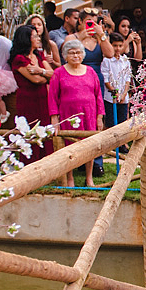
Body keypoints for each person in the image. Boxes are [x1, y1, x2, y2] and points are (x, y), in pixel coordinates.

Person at [48, 39, 104, 187]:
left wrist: (100, 116)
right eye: (71, 53)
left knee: (90, 145)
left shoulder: (90, 71)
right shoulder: (58, 73)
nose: (75, 56)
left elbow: (98, 95)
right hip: (68, 115)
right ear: (65, 56)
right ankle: (70, 177)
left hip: (89, 114)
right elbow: (52, 97)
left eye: (78, 52)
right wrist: (54, 118)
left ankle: (89, 178)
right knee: (69, 146)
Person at [9, 25, 54, 162]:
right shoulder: (19, 59)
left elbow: (53, 74)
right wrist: (45, 76)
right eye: (34, 36)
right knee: (31, 130)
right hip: (28, 100)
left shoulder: (38, 55)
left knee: (45, 130)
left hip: (43, 98)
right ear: (26, 39)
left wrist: (41, 71)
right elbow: (36, 80)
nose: (38, 39)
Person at [100, 31, 133, 141]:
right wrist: (114, 91)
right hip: (111, 97)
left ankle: (122, 143)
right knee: (111, 122)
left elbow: (128, 78)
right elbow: (106, 79)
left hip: (123, 96)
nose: (118, 49)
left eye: (120, 46)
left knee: (122, 121)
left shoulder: (125, 60)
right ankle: (110, 143)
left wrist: (124, 94)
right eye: (115, 46)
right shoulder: (107, 61)